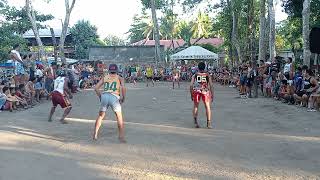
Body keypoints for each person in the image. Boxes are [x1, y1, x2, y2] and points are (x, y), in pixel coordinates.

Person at [93, 64, 126, 142]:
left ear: (109, 70)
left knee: (101, 116)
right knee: (119, 117)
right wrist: (123, 98)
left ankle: (95, 134)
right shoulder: (120, 78)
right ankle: (121, 136)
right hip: (114, 97)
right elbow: (123, 88)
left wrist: (100, 97)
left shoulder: (105, 77)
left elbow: (96, 88)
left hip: (105, 95)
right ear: (117, 70)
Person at [190, 62, 214, 129]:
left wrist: (191, 94)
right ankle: (208, 123)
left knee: (196, 106)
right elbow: (211, 85)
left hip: (197, 91)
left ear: (198, 67)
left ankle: (195, 123)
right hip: (205, 91)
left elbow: (191, 85)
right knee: (207, 106)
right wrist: (212, 94)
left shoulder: (195, 75)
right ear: (204, 67)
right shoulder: (207, 75)